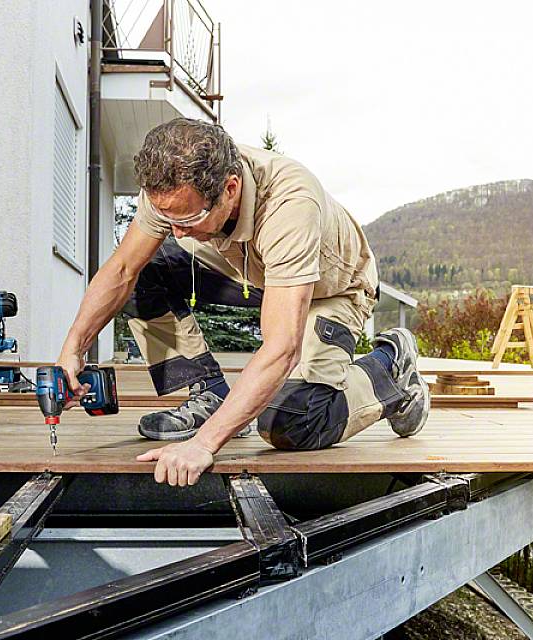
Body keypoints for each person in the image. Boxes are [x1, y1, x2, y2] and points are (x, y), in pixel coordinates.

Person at [56, 118, 429, 487]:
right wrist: (74, 347)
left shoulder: (290, 205)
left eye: (187, 218)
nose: (175, 232)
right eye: (165, 217)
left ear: (230, 189)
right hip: (253, 272)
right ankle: (210, 396)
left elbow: (282, 349)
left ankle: (390, 366)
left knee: (290, 421)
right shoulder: (172, 187)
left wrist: (203, 445)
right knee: (146, 271)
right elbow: (122, 270)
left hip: (332, 290)